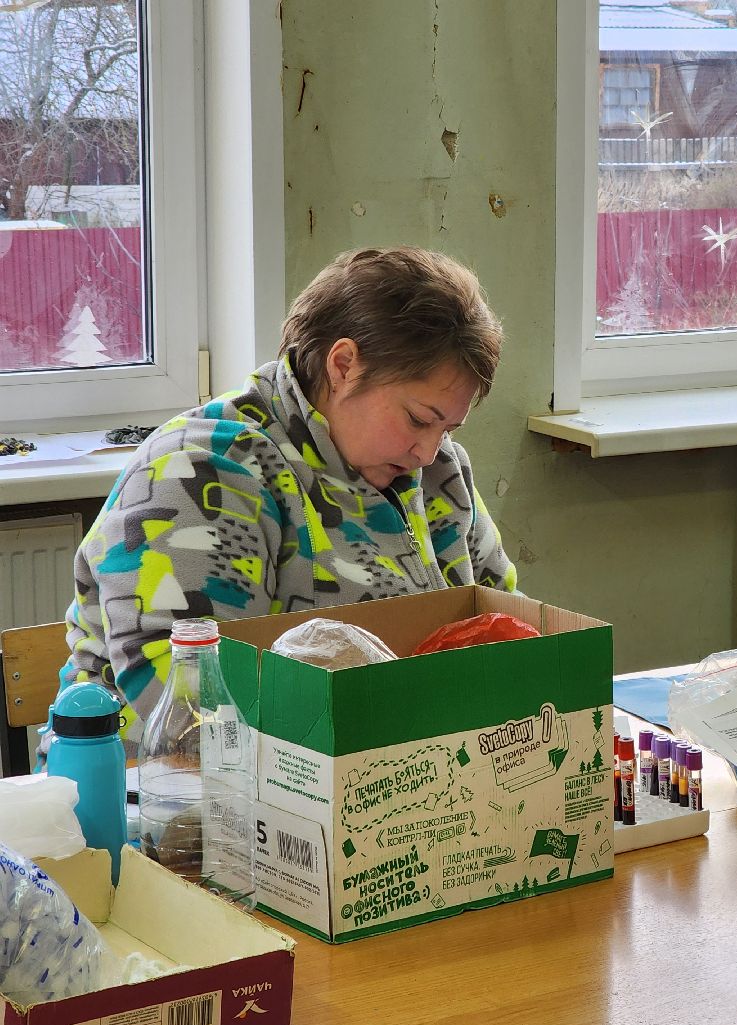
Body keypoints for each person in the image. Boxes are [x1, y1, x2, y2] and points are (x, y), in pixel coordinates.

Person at [62, 247, 517, 737]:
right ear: (343, 365)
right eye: (418, 419)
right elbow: (184, 704)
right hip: (168, 790)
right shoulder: (202, 471)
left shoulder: (439, 472)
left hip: (399, 773)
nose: (429, 452)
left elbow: (510, 632)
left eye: (447, 428)